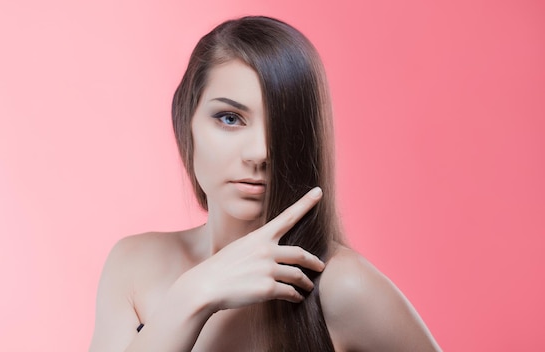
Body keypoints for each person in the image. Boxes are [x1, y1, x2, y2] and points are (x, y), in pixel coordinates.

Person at [90, 16, 441, 352]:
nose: (259, 152)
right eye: (230, 118)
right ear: (187, 121)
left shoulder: (342, 287)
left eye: (282, 125)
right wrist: (194, 294)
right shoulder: (133, 264)